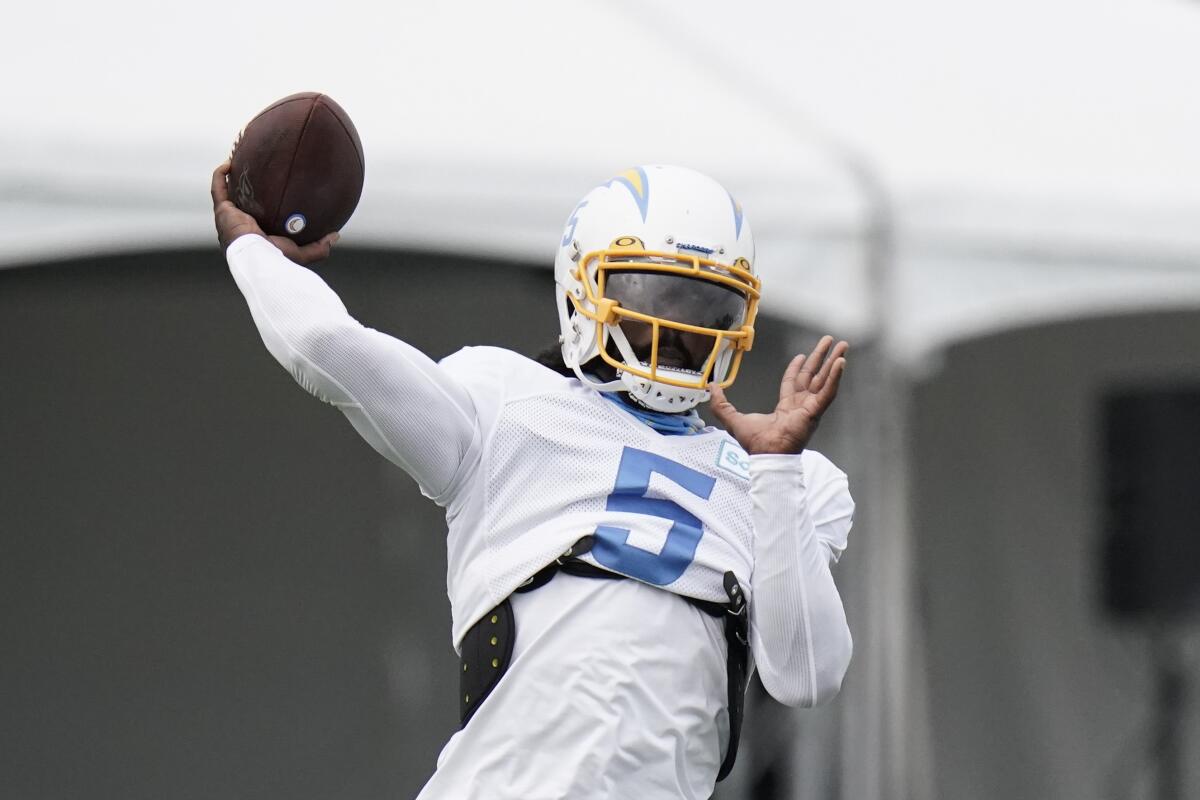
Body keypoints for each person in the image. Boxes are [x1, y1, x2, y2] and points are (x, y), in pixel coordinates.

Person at [211, 161, 854, 800]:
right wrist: (255, 254)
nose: (676, 329)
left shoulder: (786, 482)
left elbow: (806, 674)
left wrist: (776, 470)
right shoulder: (504, 404)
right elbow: (328, 343)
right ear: (580, 287)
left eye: (703, 306)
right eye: (651, 297)